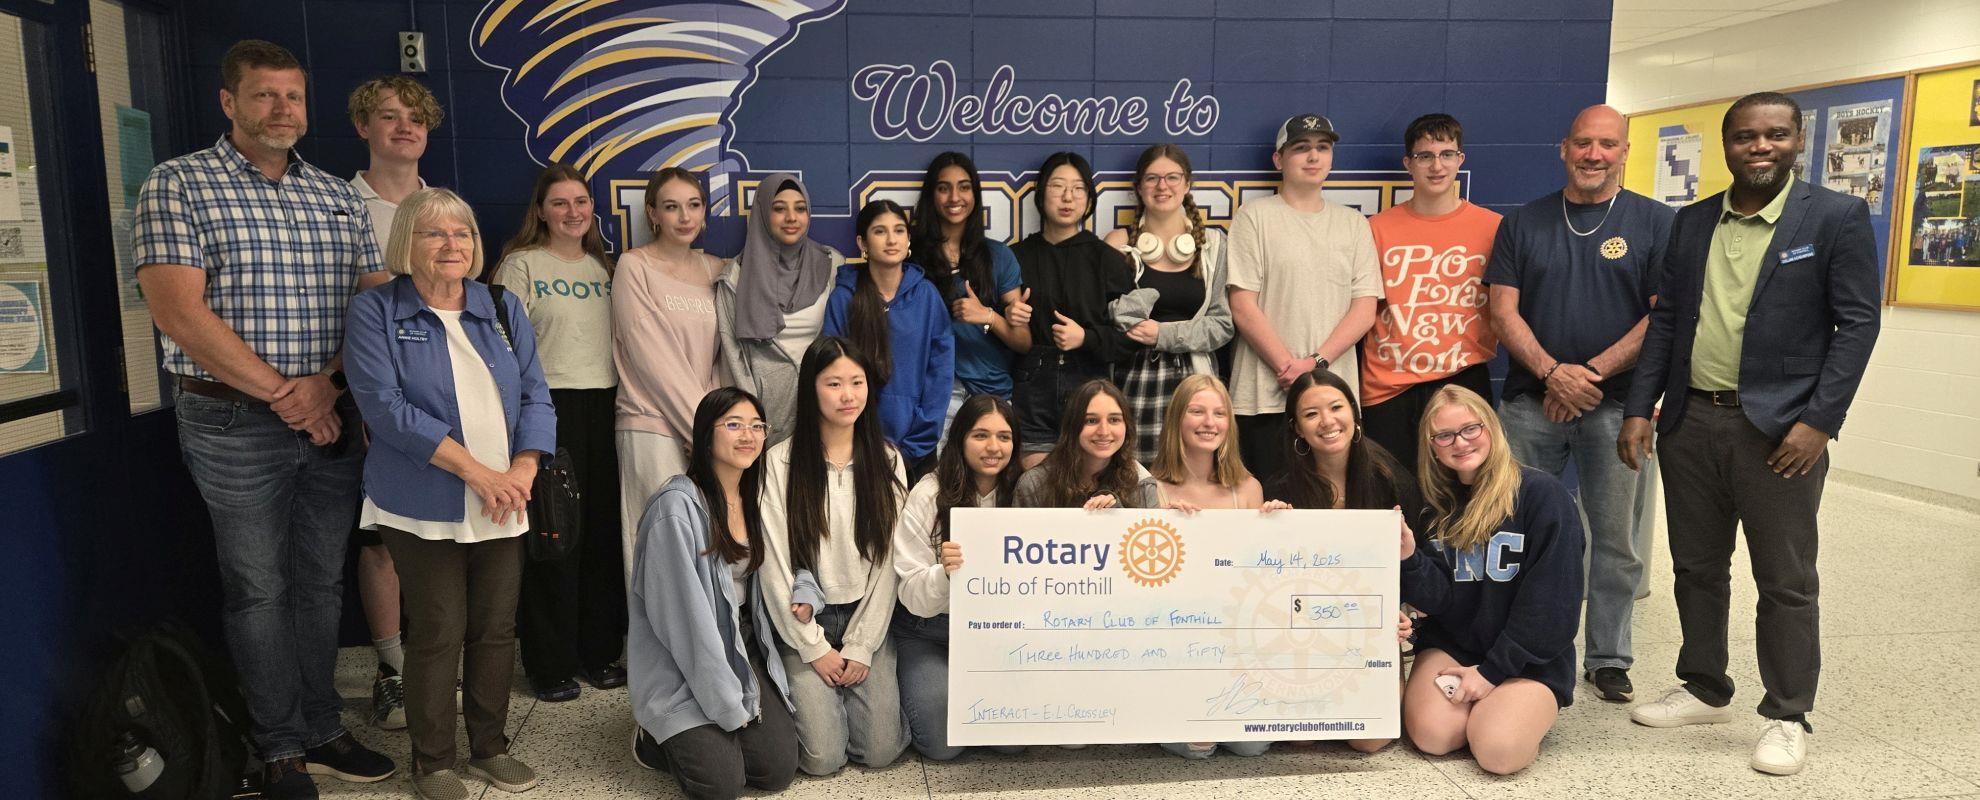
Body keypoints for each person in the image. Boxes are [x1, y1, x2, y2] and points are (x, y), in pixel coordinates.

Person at [134, 40, 395, 798]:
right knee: (257, 588)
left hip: (330, 415)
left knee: (319, 584)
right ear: (229, 102)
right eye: (264, 95)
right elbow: (179, 314)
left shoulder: (337, 196)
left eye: (293, 96)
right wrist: (291, 394)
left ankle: (322, 726)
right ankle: (279, 745)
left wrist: (328, 385)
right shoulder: (178, 184)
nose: (282, 109)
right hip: (232, 424)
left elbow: (373, 305)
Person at [1620, 92, 1883, 776]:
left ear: (1799, 141)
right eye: (1745, 136)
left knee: (1785, 578)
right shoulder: (1694, 221)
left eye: (1775, 134)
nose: (1760, 146)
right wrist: (1639, 407)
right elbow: (1668, 320)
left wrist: (1818, 422)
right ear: (1727, 145)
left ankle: (1788, 713)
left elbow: (1857, 325)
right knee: (1696, 567)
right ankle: (1705, 687)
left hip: (1781, 431)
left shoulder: (1835, 217)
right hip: (1690, 422)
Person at [344, 188, 555, 798]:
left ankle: (489, 747)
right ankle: (432, 761)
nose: (451, 245)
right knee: (438, 629)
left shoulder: (501, 306)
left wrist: (523, 469)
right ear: (406, 242)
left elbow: (537, 395)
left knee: (495, 627)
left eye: (461, 233)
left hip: (504, 500)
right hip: (423, 502)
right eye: (435, 233)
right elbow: (385, 408)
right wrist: (478, 473)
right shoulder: (376, 311)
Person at [1483, 104, 1673, 704]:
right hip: (1529, 404)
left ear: (1624, 152)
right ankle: (1512, 646)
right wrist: (1551, 374)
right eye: (1584, 143)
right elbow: (1502, 310)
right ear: (1564, 148)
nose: (1595, 155)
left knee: (1615, 539)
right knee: (1512, 529)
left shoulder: (1656, 223)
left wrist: (1588, 374)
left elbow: (1663, 316)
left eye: (1608, 145)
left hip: (1617, 407)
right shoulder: (1524, 222)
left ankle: (1608, 657)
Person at [626, 387, 823, 799]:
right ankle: (652, 738)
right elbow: (686, 629)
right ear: (705, 434)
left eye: (757, 426)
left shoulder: (757, 495)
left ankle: (716, 724)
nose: (748, 435)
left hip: (741, 642)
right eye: (733, 425)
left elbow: (796, 555)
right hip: (683, 657)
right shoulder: (675, 508)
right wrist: (729, 705)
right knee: (721, 786)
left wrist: (806, 590)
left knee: (776, 770)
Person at [492, 163, 626, 703]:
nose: (573, 212)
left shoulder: (605, 267)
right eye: (560, 203)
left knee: (600, 536)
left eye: (581, 201)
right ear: (541, 212)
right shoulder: (520, 265)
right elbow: (501, 347)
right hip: (549, 408)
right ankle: (550, 665)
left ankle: (599, 653)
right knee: (554, 538)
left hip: (607, 406)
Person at [1400, 385, 1584, 776]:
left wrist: (1491, 674)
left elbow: (1553, 606)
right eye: (1445, 435)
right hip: (1455, 647)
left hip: (1527, 660)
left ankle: (1507, 713)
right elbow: (1439, 601)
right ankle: (1490, 712)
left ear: (1492, 428)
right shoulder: (1434, 506)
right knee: (1433, 736)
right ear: (1432, 447)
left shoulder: (1542, 495)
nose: (1460, 442)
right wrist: (1410, 557)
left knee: (1498, 752)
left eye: (1471, 429)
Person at [756, 337, 910, 775]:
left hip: (866, 615)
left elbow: (890, 565)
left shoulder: (887, 460)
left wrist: (862, 645)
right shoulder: (779, 463)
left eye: (857, 382)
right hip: (806, 619)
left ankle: (857, 695)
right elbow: (774, 566)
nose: (848, 395)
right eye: (834, 383)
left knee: (880, 752)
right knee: (823, 758)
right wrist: (814, 647)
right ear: (811, 388)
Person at [345, 73, 444, 733]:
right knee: (380, 538)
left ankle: (433, 663)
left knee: (437, 537)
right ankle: (392, 670)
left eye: (415, 117)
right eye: (388, 115)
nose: (404, 127)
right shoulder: (339, 205)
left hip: (440, 401)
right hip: (370, 399)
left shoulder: (443, 207)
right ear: (364, 127)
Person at [1261, 368, 1422, 754]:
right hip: (1302, 633)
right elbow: (1266, 582)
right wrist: (1269, 529)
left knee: (1370, 739)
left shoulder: (1392, 481)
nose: (1327, 421)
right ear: (1297, 428)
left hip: (1370, 633)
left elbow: (1412, 567)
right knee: (1300, 738)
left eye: (1336, 407)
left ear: (1354, 412)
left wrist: (1403, 613)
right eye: (1311, 413)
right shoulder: (1280, 490)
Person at [1228, 114, 1380, 480]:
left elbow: (1365, 309)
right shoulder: (1254, 217)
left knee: (1332, 503)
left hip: (1334, 402)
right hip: (1263, 398)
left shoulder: (1353, 224)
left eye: (1322, 148)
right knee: (1266, 505)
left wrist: (1314, 364)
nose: (1313, 157)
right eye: (1301, 148)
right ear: (1279, 159)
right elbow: (1243, 305)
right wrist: (1290, 370)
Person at [1359, 114, 1501, 476]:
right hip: (1389, 385)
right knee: (1393, 493)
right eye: (1425, 156)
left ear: (1460, 159)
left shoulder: (1493, 228)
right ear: (1408, 163)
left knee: (1463, 490)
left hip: (1462, 379)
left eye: (1446, 154)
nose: (1437, 166)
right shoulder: (1376, 229)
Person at [890, 394, 1027, 761]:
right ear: (960, 439)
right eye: (980, 435)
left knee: (1012, 742)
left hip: (996, 633)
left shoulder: (1023, 492)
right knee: (943, 744)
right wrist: (944, 575)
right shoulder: (929, 493)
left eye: (1004, 437)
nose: (993, 447)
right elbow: (909, 591)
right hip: (928, 629)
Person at [614, 167, 728, 586]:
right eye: (671, 207)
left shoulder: (716, 269)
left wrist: (713, 425)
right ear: (652, 213)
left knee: (705, 547)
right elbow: (652, 357)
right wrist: (702, 429)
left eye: (694, 205)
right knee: (659, 552)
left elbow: (723, 356)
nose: (684, 217)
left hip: (706, 431)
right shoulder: (634, 266)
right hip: (652, 427)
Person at [1104, 144, 1235, 465]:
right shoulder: (1117, 244)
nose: (1162, 186)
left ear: (1187, 184)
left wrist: (1162, 335)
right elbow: (1105, 317)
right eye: (1152, 178)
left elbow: (1222, 325)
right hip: (1134, 379)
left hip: (1196, 379)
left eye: (1172, 177)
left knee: (1194, 474)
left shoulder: (1214, 245)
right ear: (1138, 187)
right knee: (1133, 476)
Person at [1011, 152, 1138, 469]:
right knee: (1035, 483)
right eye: (1057, 186)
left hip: (1090, 384)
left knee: (1088, 481)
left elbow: (1132, 338)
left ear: (1089, 198)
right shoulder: (1015, 257)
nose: (1067, 197)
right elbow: (992, 332)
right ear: (1041, 193)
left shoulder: (1108, 260)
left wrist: (1087, 338)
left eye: (1078, 188)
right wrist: (1006, 320)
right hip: (1032, 387)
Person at [824, 199, 954, 478]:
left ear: (908, 239)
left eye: (899, 230)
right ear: (862, 243)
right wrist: (853, 441)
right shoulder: (844, 298)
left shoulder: (927, 296)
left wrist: (914, 446)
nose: (891, 239)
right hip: (856, 447)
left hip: (918, 450)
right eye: (880, 231)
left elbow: (940, 375)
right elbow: (831, 373)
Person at [717, 174, 842, 445]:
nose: (791, 218)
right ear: (762, 213)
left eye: (800, 208)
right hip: (764, 421)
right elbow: (733, 356)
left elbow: (841, 342)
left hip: (822, 412)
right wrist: (753, 420)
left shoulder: (832, 265)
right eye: (779, 208)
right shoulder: (735, 277)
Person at [908, 152, 1031, 425]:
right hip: (934, 394)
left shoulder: (998, 255)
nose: (955, 197)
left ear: (975, 194)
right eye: (944, 188)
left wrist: (989, 316)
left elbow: (1023, 341)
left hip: (991, 392)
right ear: (931, 195)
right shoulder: (911, 258)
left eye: (964, 187)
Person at [1014, 379, 1160, 509]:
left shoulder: (1142, 484)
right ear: (1072, 426)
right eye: (1091, 420)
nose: (1104, 431)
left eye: (1114, 420)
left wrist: (1116, 516)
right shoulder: (1034, 484)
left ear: (1127, 426)